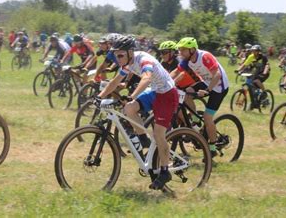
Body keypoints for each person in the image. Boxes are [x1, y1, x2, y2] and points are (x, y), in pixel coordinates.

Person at [97, 36, 178, 190]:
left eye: (120, 55)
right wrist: (99, 97)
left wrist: (131, 96)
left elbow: (147, 78)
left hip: (167, 94)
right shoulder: (127, 63)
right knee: (129, 108)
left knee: (159, 134)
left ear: (130, 52)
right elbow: (114, 81)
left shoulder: (144, 60)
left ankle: (165, 171)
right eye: (115, 55)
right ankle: (143, 139)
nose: (117, 59)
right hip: (155, 91)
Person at [175, 37, 229, 158]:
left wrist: (207, 90)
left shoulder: (205, 56)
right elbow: (176, 72)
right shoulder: (186, 60)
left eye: (183, 50)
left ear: (192, 50)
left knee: (208, 117)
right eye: (180, 50)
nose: (180, 53)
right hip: (207, 81)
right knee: (186, 92)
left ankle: (213, 148)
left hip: (219, 86)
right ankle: (196, 119)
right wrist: (168, 83)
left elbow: (217, 74)